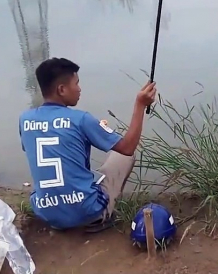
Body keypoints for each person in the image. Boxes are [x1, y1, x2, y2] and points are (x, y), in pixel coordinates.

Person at [18, 57, 156, 233]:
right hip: (87, 212)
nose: (79, 89)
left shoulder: (25, 120)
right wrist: (140, 105)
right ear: (61, 89)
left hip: (47, 214)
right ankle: (99, 218)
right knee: (122, 157)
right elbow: (127, 147)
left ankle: (57, 213)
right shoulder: (81, 119)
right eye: (76, 83)